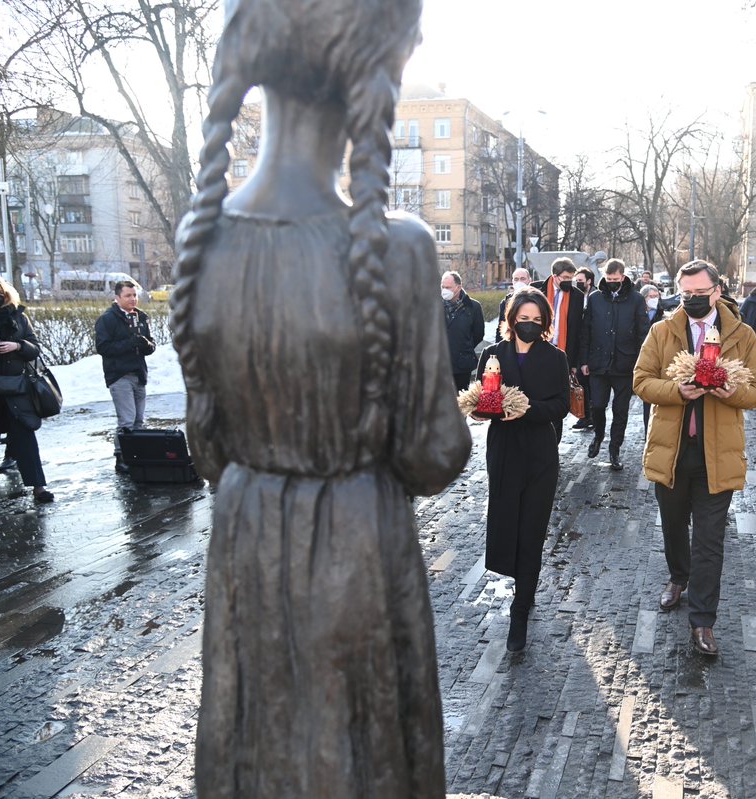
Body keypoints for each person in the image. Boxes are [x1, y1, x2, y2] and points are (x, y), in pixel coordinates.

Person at [168, 1, 473, 792]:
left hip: (245, 545)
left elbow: (206, 450)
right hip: (357, 553)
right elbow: (434, 455)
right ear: (376, 73)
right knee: (359, 758)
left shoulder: (201, 239)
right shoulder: (396, 248)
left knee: (255, 749)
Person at [633, 260, 756, 657]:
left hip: (717, 455)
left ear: (717, 290)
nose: (691, 299)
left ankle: (703, 621)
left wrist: (732, 393)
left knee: (710, 539)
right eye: (685, 293)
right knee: (674, 525)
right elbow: (641, 380)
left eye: (699, 293)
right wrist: (677, 390)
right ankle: (678, 576)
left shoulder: (741, 335)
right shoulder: (662, 330)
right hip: (671, 452)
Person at [473, 289, 570, 652]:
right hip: (503, 450)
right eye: (522, 319)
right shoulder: (493, 355)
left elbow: (561, 405)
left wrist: (526, 410)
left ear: (544, 322)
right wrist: (480, 410)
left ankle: (521, 606)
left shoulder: (555, 357)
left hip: (540, 452)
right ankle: (515, 579)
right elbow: (484, 395)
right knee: (504, 521)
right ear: (511, 319)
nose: (528, 325)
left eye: (536, 320)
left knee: (532, 526)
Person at [0, 274, 53, 503]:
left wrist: (17, 345)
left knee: (24, 436)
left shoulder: (18, 316)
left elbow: (34, 348)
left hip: (17, 387)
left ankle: (38, 486)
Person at [579, 259, 649, 471]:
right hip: (598, 364)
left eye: (615, 280)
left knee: (621, 410)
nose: (612, 283)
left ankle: (615, 448)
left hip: (625, 364)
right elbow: (586, 332)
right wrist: (583, 360)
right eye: (608, 279)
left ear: (623, 277)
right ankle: (599, 436)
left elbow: (642, 333)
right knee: (597, 405)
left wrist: (641, 362)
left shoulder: (636, 299)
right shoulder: (595, 298)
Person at [96, 280, 156, 473]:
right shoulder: (108, 319)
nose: (133, 299)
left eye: (134, 295)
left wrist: (147, 345)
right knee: (127, 420)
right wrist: (131, 343)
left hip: (139, 373)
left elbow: (150, 345)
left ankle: (137, 455)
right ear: (117, 298)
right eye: (128, 296)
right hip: (119, 374)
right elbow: (103, 347)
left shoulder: (141, 317)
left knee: (139, 420)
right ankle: (121, 457)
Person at [532, 258, 585, 438]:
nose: (569, 281)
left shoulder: (577, 296)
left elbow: (578, 331)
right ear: (554, 277)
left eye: (572, 277)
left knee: (557, 400)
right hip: (536, 352)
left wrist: (575, 362)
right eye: (565, 277)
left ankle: (554, 445)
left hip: (561, 354)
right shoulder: (536, 290)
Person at [443, 270, 485, 391]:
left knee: (462, 401)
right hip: (439, 363)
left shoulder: (473, 307)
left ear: (458, 287)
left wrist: (464, 347)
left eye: (448, 287)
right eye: (443, 287)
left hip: (462, 364)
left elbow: (478, 333)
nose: (444, 290)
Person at [639, 284, 668, 433]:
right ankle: (647, 433)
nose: (655, 299)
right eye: (651, 296)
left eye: (656, 296)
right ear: (644, 298)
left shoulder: (662, 316)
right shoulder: (638, 314)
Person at [570, 266, 596, 430]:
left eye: (580, 281)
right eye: (576, 281)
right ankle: (584, 415)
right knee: (580, 382)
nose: (577, 283)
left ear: (589, 281)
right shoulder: (575, 297)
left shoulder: (595, 297)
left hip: (591, 347)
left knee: (590, 384)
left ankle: (591, 415)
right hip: (578, 345)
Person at [494, 267, 532, 344]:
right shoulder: (506, 302)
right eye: (516, 279)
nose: (519, 282)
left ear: (529, 280)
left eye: (523, 279)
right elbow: (501, 326)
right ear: (512, 282)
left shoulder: (537, 300)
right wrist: (498, 348)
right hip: (511, 343)